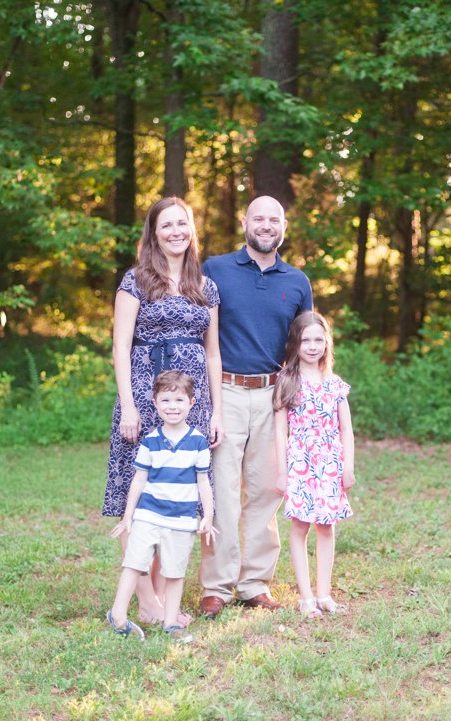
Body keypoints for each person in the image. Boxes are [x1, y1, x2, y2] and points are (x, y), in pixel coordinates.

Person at [102, 197, 223, 627]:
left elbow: (213, 354)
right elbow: (120, 346)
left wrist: (216, 412)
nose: (176, 231)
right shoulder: (135, 281)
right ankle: (149, 602)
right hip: (144, 391)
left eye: (183, 224)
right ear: (153, 232)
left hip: (192, 402)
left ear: (192, 229)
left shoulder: (204, 286)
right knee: (138, 491)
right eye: (167, 225)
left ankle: (153, 598)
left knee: (174, 494)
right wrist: (130, 406)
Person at [197, 195, 313, 618]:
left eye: (274, 219)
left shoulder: (297, 281)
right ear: (244, 222)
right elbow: (197, 331)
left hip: (273, 396)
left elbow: (305, 346)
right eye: (258, 218)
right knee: (222, 493)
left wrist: (301, 396)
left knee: (267, 491)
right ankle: (217, 586)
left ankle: (254, 583)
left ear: (284, 226)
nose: (266, 225)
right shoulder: (216, 269)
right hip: (224, 392)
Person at [107, 371, 216, 641]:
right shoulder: (151, 441)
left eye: (179, 400)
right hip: (148, 516)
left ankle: (171, 622)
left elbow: (204, 482)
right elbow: (138, 480)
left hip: (181, 520)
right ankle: (118, 615)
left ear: (191, 403)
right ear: (155, 403)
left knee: (175, 572)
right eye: (165, 400)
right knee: (134, 564)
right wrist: (128, 517)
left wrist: (208, 516)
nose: (172, 407)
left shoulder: (198, 442)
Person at [272, 312, 355, 618]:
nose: (312, 345)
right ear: (295, 343)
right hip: (300, 462)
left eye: (318, 339)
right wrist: (282, 472)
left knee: (326, 525)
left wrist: (348, 466)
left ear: (326, 343)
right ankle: (305, 596)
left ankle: (324, 593)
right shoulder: (287, 381)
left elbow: (346, 429)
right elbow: (281, 430)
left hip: (330, 462)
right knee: (300, 525)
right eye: (306, 340)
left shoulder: (335, 384)